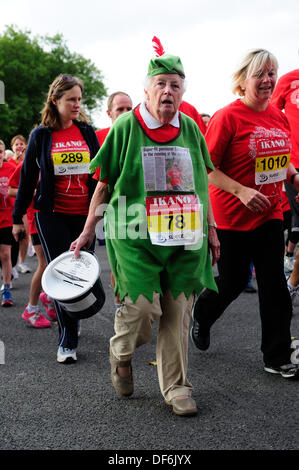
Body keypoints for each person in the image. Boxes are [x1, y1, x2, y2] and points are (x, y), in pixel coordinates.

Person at [70, 49, 220, 416]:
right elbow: (103, 185)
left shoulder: (190, 128)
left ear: (182, 92)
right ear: (147, 90)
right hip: (134, 234)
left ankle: (176, 387)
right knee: (140, 309)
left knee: (178, 310)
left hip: (185, 235)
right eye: (161, 84)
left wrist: (212, 230)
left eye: (176, 85)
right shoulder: (126, 127)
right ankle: (120, 353)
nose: (169, 91)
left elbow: (203, 183)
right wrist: (88, 229)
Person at [190, 49, 299, 379]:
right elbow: (207, 168)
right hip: (232, 215)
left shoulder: (278, 117)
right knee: (234, 281)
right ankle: (204, 313)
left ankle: (277, 355)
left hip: (270, 211)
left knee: (275, 285)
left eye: (271, 73)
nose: (267, 80)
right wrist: (240, 190)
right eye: (260, 74)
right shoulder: (228, 117)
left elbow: (280, 158)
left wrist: (294, 175)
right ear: (243, 80)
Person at [12, 74, 99, 363]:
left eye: (79, 99)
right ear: (55, 100)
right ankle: (67, 342)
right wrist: (17, 218)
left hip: (84, 217)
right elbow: (26, 180)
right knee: (64, 275)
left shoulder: (86, 131)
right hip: (51, 216)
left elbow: (100, 174)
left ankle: (72, 320)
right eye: (71, 99)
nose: (77, 104)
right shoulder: (41, 135)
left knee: (85, 277)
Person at [95, 91, 133, 306]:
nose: (126, 113)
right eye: (120, 109)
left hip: (141, 208)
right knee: (117, 263)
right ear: (109, 113)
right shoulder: (100, 136)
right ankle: (120, 307)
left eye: (129, 109)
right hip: (111, 208)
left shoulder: (141, 132)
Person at [8, 162, 53, 328]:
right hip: (36, 220)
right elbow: (11, 189)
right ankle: (31, 309)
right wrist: (34, 192)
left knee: (55, 263)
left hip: (54, 218)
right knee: (44, 264)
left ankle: (49, 297)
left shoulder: (52, 157)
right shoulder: (28, 162)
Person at [270, 65, 299, 298]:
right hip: (295, 165)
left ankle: (291, 283)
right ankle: (291, 283)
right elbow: (270, 114)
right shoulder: (289, 80)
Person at [9, 135, 31, 275]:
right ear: (12, 147)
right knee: (12, 237)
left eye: (22, 144)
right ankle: (11, 264)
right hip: (10, 206)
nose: (19, 147)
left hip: (27, 206)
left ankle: (21, 262)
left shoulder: (29, 162)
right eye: (16, 144)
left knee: (25, 235)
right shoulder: (8, 163)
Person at [0, 139, 17, 306]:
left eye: (0, 152)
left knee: (5, 254)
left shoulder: (11, 169)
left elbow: (20, 187)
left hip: (7, 218)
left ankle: (6, 289)